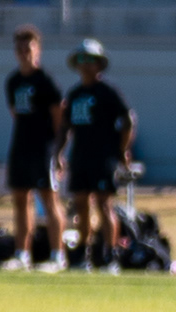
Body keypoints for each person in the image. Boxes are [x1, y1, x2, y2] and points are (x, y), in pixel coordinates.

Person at [58, 41, 135, 272]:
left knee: (104, 204)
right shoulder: (75, 94)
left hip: (103, 158)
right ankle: (83, 254)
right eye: (82, 60)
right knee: (81, 205)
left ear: (99, 64)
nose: (86, 65)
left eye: (90, 60)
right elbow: (65, 127)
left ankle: (110, 256)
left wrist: (122, 150)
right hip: (80, 156)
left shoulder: (107, 92)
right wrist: (59, 152)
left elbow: (128, 120)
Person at [2, 28, 66, 272]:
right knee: (20, 199)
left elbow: (59, 119)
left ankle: (57, 255)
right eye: (19, 49)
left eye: (28, 48)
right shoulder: (13, 81)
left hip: (43, 149)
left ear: (37, 50)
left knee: (49, 199)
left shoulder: (45, 81)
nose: (24, 53)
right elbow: (15, 114)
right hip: (21, 146)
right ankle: (22, 253)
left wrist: (58, 152)